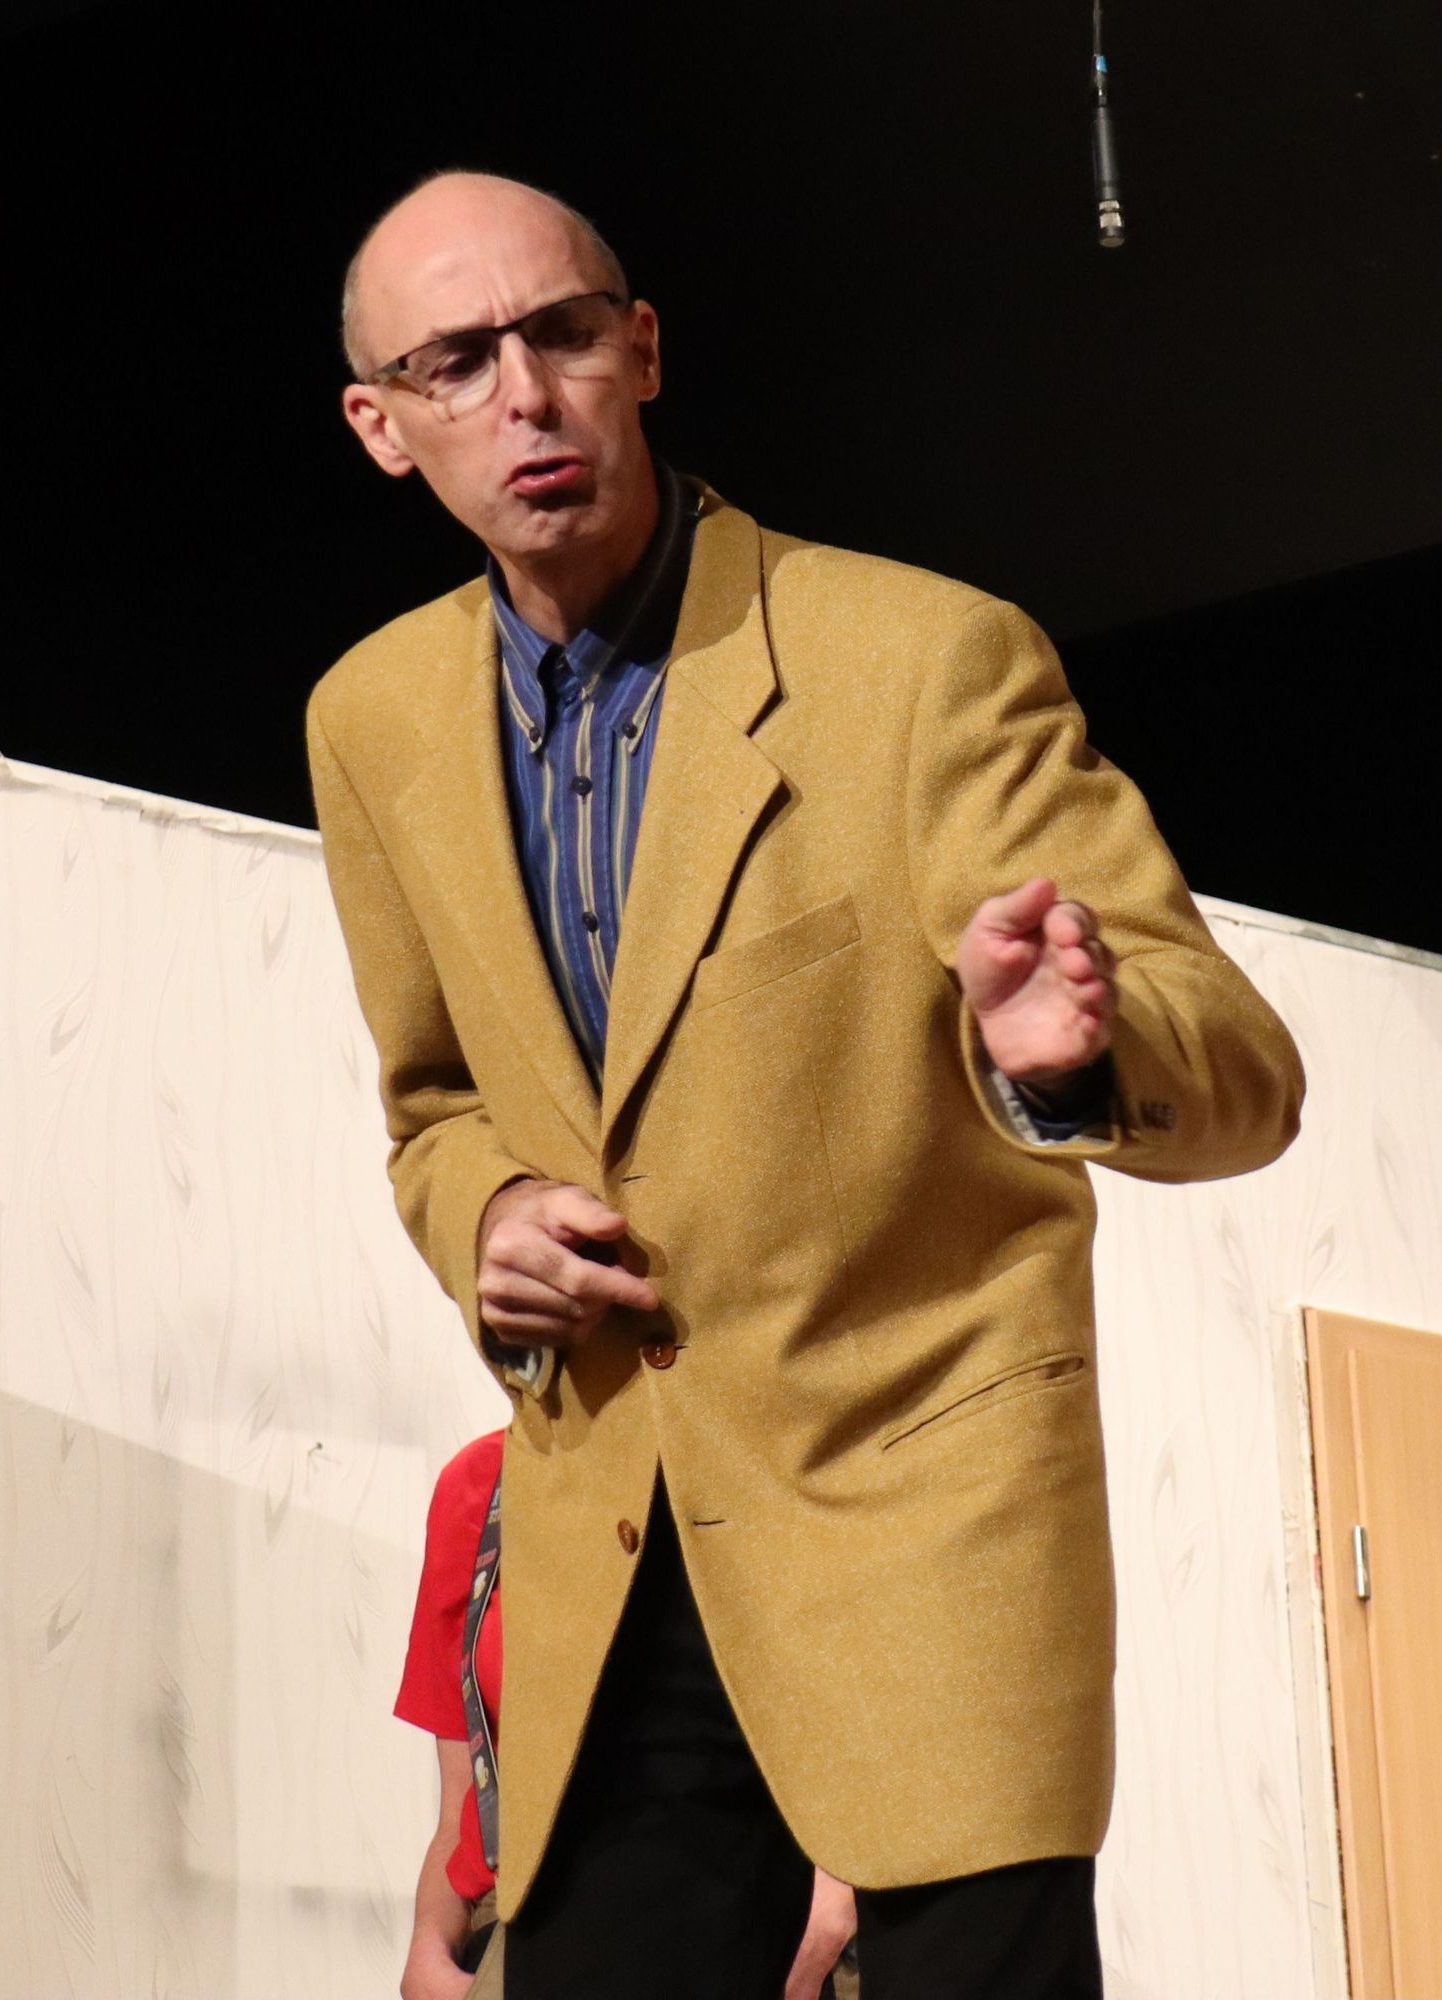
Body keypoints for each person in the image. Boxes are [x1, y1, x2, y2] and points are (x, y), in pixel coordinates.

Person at [309, 170, 1304, 1999]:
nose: (525, 395)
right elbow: (433, 1106)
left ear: (643, 350)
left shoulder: (917, 659)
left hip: (920, 1527)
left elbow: (1243, 1065)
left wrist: (1075, 1055)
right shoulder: (370, 720)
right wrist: (487, 1217)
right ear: (382, 426)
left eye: (563, 334)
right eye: (455, 362)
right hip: (611, 1538)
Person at [395, 1426, 861, 2000]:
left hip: (755, 1901)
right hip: (524, 1920)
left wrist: (835, 1899)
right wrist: (429, 1949)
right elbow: (463, 1804)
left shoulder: (763, 1450)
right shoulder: (481, 1482)